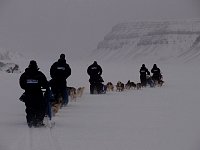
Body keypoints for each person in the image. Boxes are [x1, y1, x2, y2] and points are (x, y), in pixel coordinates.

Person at [19, 60, 50, 127]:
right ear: (36, 66)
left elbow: (22, 85)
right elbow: (45, 84)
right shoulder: (40, 74)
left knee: (29, 108)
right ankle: (39, 121)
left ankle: (30, 121)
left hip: (28, 94)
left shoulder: (25, 75)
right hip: (38, 94)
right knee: (40, 108)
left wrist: (27, 87)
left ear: (29, 65)